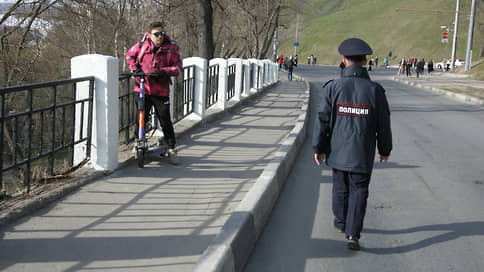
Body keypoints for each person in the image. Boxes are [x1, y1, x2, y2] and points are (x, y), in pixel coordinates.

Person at [313, 38, 392, 251]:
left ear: (345, 61)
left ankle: (340, 222)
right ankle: (353, 233)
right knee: (359, 190)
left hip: (338, 150)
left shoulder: (333, 88)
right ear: (365, 61)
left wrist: (318, 148)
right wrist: (385, 150)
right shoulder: (376, 91)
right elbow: (383, 124)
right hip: (363, 152)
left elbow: (322, 120)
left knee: (340, 187)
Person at [126, 21, 182, 165]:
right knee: (141, 117)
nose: (159, 37)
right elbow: (129, 56)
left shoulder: (171, 48)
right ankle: (138, 142)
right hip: (143, 88)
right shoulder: (141, 46)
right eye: (156, 34)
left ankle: (171, 149)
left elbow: (178, 68)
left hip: (161, 90)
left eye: (161, 34)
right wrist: (134, 70)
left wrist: (165, 71)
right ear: (150, 35)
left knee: (164, 119)